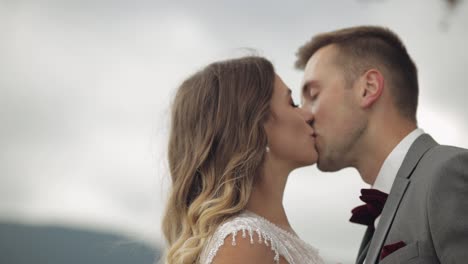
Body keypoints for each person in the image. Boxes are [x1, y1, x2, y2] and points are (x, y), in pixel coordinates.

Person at [295, 25, 468, 263]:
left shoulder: (449, 173)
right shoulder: (384, 209)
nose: (304, 115)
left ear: (368, 88)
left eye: (313, 95)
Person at [161, 56, 325, 264]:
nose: (308, 115)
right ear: (256, 127)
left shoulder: (258, 238)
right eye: (291, 104)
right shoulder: (245, 242)